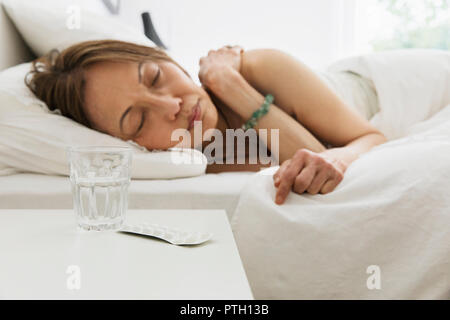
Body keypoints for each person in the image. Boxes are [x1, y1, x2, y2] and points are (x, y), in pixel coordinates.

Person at [26, 39, 387, 204]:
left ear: (163, 56)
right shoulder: (191, 162)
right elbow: (308, 161)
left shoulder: (261, 67)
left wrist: (232, 85)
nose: (172, 105)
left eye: (153, 76)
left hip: (379, 84)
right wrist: (233, 93)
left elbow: (371, 137)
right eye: (137, 120)